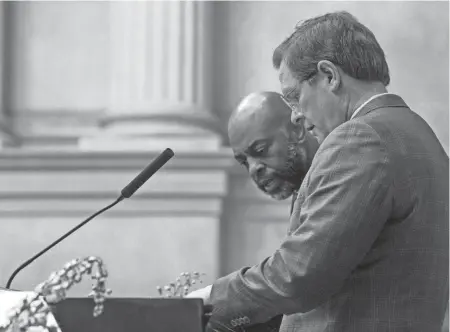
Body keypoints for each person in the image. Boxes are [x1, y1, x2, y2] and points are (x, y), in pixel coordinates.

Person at [188, 11, 449, 332]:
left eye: (294, 97)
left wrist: (208, 300)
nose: (295, 116)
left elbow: (297, 276)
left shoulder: (359, 138)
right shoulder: (420, 135)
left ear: (329, 76)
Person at [228, 91, 318, 210]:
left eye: (260, 150)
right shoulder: (304, 194)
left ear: (297, 130)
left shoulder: (338, 173)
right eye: (244, 162)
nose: (253, 169)